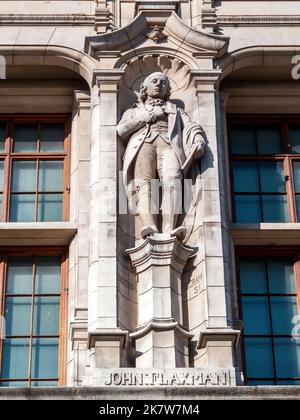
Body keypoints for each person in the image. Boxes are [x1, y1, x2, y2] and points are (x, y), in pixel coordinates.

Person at [117, 72, 206, 239]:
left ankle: (169, 227)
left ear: (168, 90)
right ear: (145, 88)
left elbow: (191, 126)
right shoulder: (134, 111)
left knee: (173, 180)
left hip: (168, 145)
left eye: (163, 82)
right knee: (143, 184)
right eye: (154, 81)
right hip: (142, 145)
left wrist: (198, 139)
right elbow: (121, 130)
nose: (159, 84)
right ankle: (149, 224)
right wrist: (147, 117)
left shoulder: (175, 110)